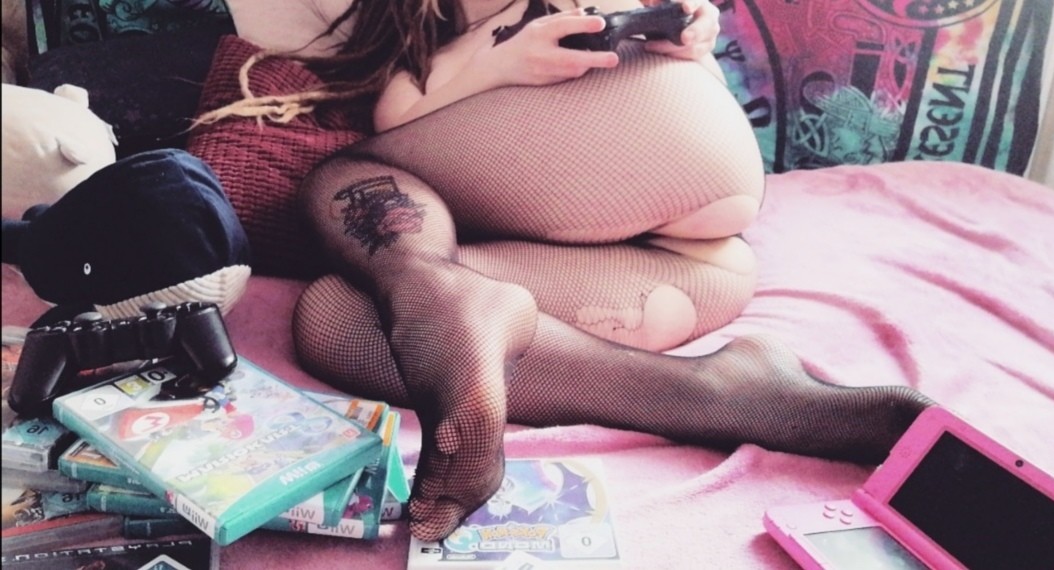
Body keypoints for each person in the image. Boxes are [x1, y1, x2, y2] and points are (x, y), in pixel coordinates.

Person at [199, 0, 934, 542]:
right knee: (337, 319)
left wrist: (688, 35)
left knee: (351, 182)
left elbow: (399, 123)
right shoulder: (423, 29)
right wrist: (501, 62)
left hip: (669, 147)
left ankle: (434, 284)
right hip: (693, 266)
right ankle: (722, 394)